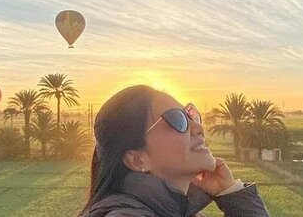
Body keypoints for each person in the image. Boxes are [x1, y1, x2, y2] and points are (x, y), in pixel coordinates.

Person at [80, 85, 270, 217]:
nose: (198, 127)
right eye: (179, 120)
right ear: (137, 160)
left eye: (192, 115)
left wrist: (231, 192)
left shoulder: (174, 210)